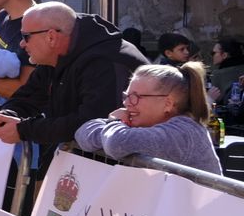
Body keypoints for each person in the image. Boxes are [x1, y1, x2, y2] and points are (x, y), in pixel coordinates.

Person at [0, 2, 146, 156]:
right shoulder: (53, 57)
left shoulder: (104, 62)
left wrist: (24, 130)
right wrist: (7, 115)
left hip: (127, 171)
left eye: (25, 36)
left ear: (51, 37)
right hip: (84, 160)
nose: (22, 44)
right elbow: (28, 97)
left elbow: (92, 122)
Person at [74, 63, 222, 175]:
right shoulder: (148, 123)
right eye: (127, 95)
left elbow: (117, 143)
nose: (127, 103)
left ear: (168, 104)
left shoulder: (184, 132)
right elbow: (82, 133)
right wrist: (113, 126)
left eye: (136, 97)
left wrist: (114, 123)